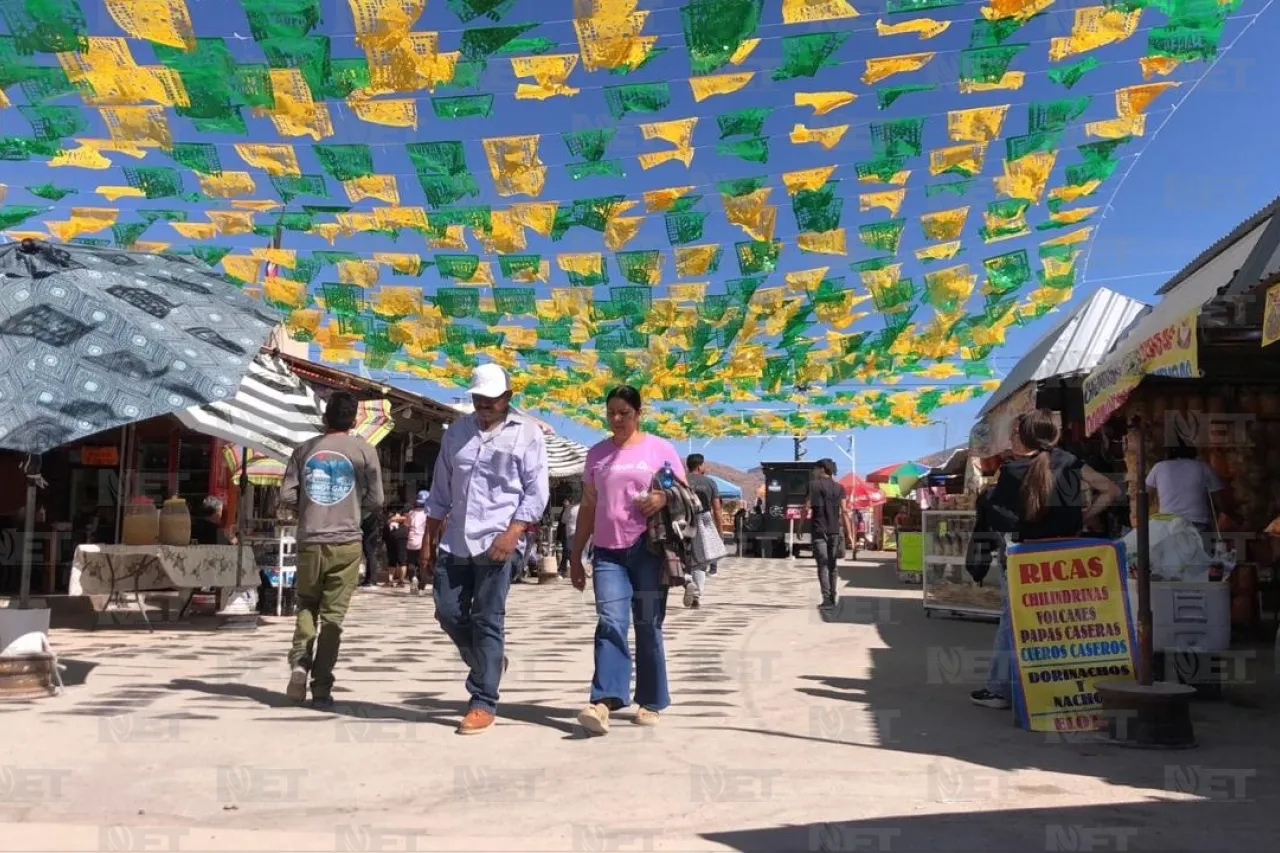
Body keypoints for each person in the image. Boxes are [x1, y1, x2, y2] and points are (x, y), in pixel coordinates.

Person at [424, 364, 548, 735]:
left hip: (501, 539)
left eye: (491, 399)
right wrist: (428, 543)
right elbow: (441, 488)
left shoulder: (527, 434)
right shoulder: (457, 432)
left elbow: (536, 490)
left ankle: (482, 700)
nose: (484, 405)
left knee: (487, 617)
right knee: (447, 611)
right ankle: (487, 663)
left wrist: (513, 533)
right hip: (458, 538)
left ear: (507, 397)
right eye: (478, 398)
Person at [970, 409, 1120, 710]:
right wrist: (1082, 519)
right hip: (1066, 554)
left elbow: (1002, 521)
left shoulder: (1011, 472)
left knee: (1014, 620)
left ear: (1024, 437)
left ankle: (1001, 690)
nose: (1011, 439)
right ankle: (1063, 689)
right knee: (1062, 622)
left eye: (1014, 434)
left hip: (1025, 559)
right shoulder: (1069, 461)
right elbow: (1111, 490)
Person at [570, 386, 685, 735]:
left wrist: (662, 498)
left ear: (638, 413)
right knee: (610, 620)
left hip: (649, 550)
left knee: (648, 624)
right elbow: (588, 508)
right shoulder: (597, 455)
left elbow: (682, 493)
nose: (617, 419)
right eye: (611, 413)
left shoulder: (659, 449)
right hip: (608, 553)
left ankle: (650, 701)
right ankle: (604, 700)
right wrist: (575, 555)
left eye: (625, 413)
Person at [281, 392, 384, 708]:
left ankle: (300, 662)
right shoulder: (364, 451)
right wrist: (355, 510)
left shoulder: (304, 450)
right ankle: (321, 687)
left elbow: (286, 496)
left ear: (325, 418)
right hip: (347, 542)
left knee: (307, 604)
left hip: (311, 540)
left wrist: (309, 509)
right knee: (333, 617)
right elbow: (377, 500)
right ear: (354, 421)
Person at [1145, 443, 1226, 533]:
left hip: (1167, 524)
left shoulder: (1159, 467)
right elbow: (1219, 499)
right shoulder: (1203, 467)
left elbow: (1146, 495)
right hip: (1198, 524)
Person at [809, 458, 854, 609]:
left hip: (819, 530)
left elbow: (806, 507)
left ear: (822, 469)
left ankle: (827, 599)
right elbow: (845, 512)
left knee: (822, 565)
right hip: (834, 530)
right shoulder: (840, 488)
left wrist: (801, 525)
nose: (814, 472)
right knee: (832, 565)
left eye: (815, 469)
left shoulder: (813, 486)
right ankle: (833, 598)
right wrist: (849, 534)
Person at [684, 454, 723, 608]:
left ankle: (687, 581)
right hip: (702, 521)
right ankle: (696, 595)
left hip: (681, 520)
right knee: (700, 560)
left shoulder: (681, 480)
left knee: (680, 557)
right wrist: (719, 530)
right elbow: (717, 509)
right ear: (700, 466)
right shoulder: (710, 482)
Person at [405, 490, 430, 592]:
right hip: (423, 543)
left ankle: (413, 578)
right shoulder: (427, 515)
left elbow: (407, 525)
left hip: (411, 541)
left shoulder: (411, 513)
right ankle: (421, 586)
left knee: (411, 562)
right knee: (423, 565)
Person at [384, 504, 410, 589]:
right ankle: (395, 580)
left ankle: (397, 580)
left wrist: (393, 518)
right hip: (396, 538)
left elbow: (406, 519)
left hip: (397, 538)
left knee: (398, 559)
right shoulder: (390, 519)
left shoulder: (402, 517)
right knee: (397, 559)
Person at [556, 498, 573, 577]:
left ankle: (562, 569)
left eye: (566, 501)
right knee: (568, 552)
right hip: (567, 533)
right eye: (564, 501)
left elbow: (563, 521)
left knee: (567, 551)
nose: (564, 502)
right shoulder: (565, 510)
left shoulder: (570, 510)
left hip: (569, 533)